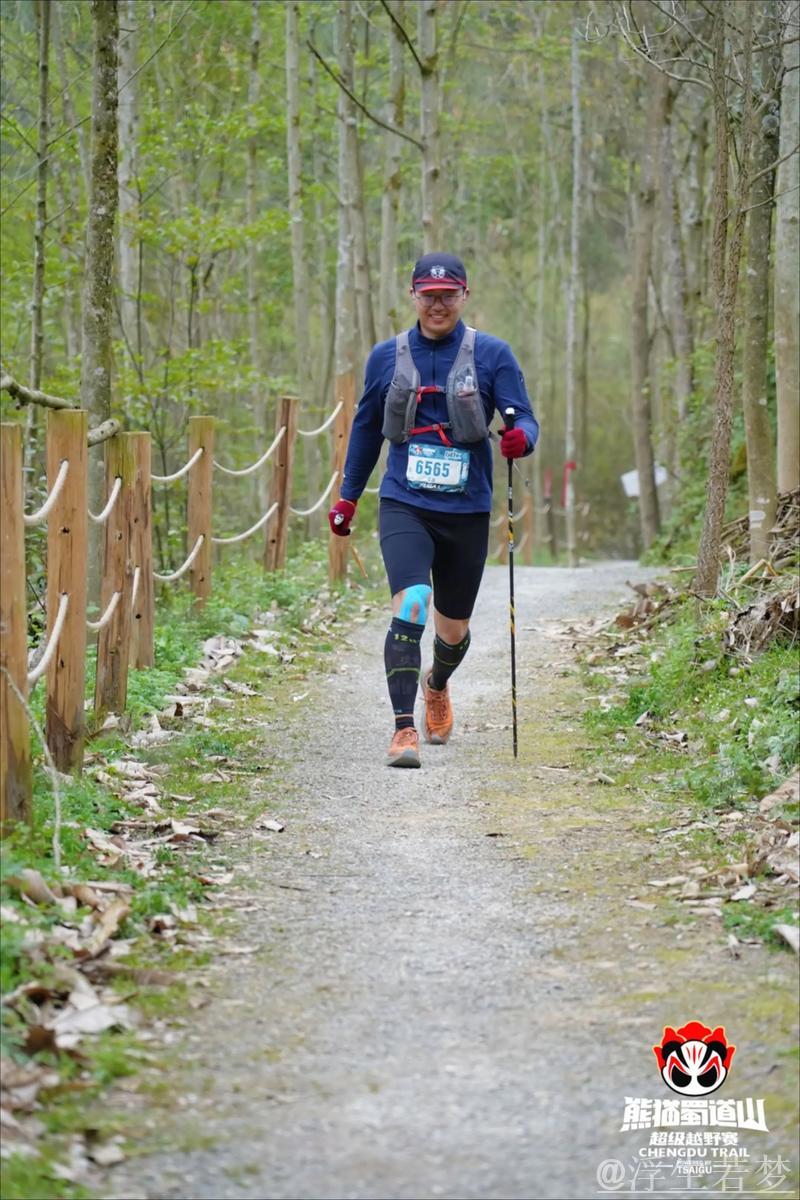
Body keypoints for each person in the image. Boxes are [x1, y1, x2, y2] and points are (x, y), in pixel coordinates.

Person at [328, 253, 538, 769]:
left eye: (447, 295)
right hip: (405, 502)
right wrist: (348, 496)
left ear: (464, 295)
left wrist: (519, 440)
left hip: (466, 510)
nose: (438, 303)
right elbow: (364, 431)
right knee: (413, 602)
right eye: (428, 294)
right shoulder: (386, 357)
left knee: (452, 630)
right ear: (413, 295)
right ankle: (403, 731)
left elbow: (525, 420)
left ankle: (436, 685)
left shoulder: (492, 354)